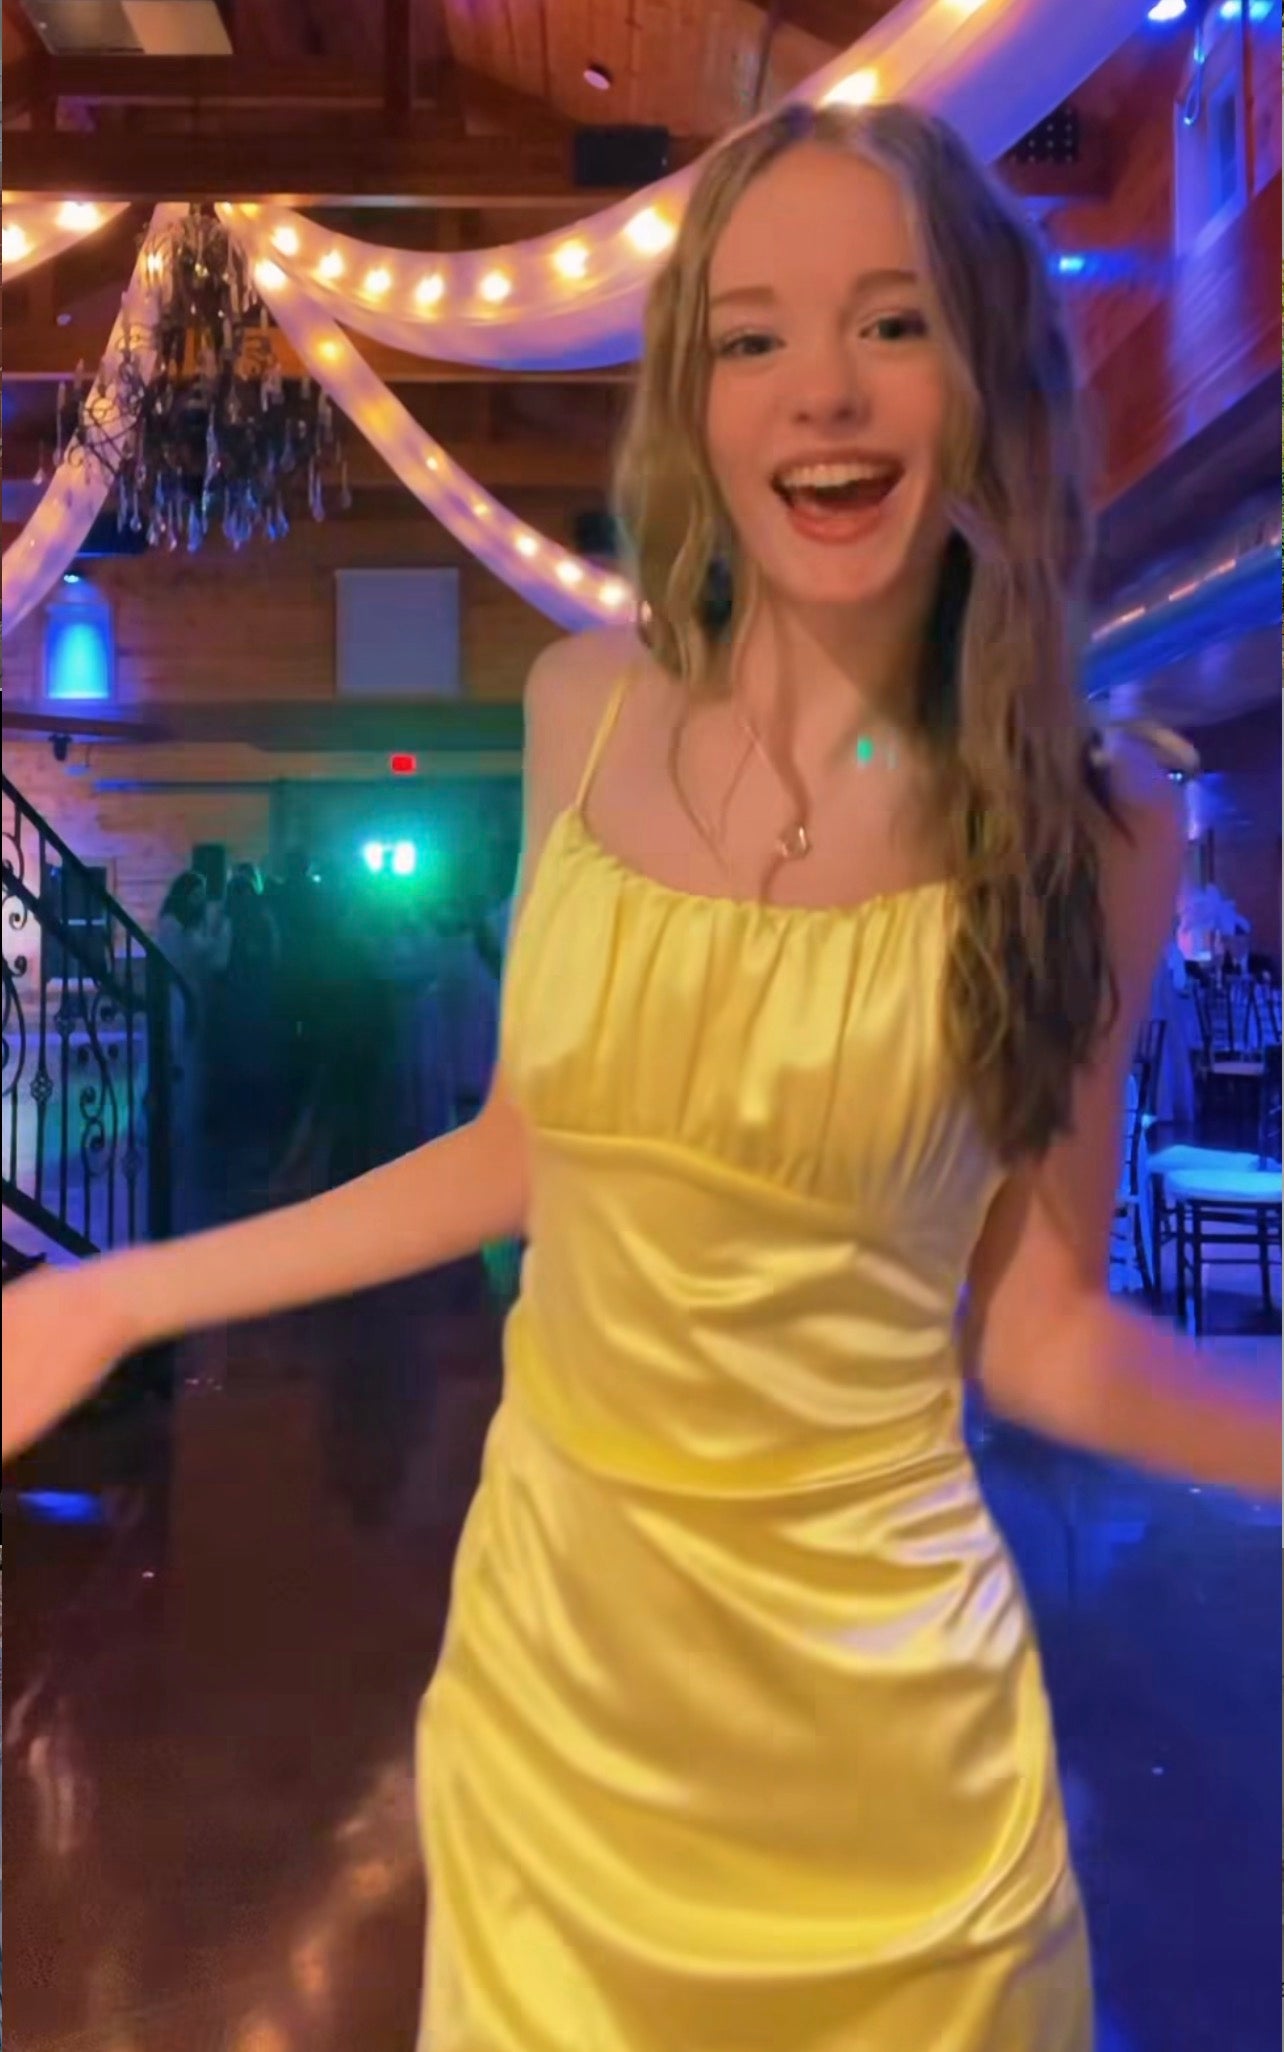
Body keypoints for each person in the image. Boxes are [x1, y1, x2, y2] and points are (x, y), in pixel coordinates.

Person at [4, 103, 1279, 2052]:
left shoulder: (1097, 823)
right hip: (563, 1690)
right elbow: (522, 1150)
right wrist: (118, 1291)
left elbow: (1043, 1338)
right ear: (695, 401)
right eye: (752, 338)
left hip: (886, 1740)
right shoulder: (583, 710)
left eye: (893, 323)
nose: (820, 392)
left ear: (992, 377)